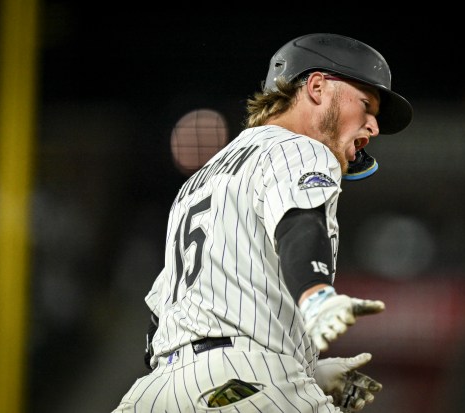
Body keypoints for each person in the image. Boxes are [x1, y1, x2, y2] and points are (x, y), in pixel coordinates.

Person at [112, 33, 413, 412]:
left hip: (154, 394)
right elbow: (300, 223)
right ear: (317, 87)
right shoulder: (302, 147)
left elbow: (158, 322)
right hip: (245, 381)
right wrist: (316, 296)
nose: (374, 126)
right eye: (366, 105)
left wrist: (304, 370)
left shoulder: (200, 180)